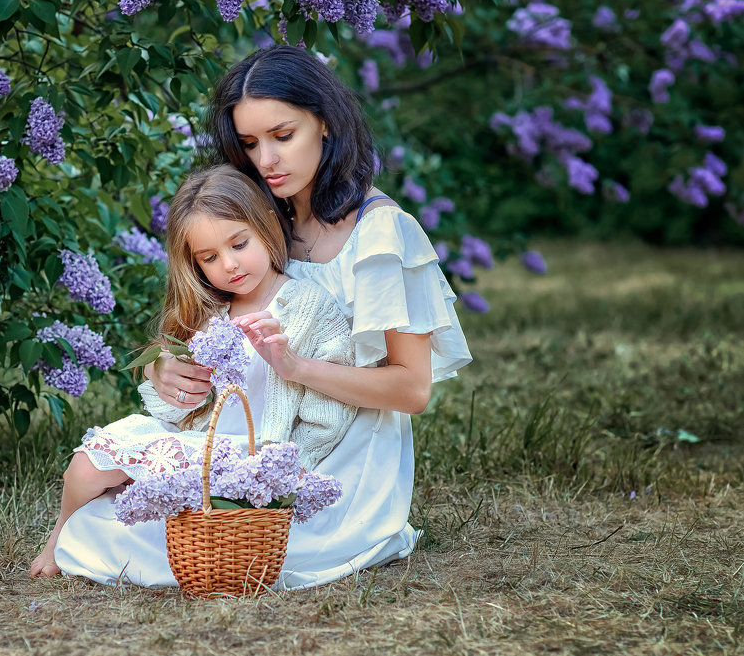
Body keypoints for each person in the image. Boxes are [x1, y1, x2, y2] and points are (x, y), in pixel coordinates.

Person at [48, 45, 472, 588]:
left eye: (282, 135)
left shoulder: (381, 232)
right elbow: (196, 319)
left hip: (340, 458)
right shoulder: (253, 223)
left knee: (190, 547)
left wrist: (296, 368)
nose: (267, 160)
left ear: (324, 121)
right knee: (124, 520)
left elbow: (413, 390)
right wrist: (165, 369)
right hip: (242, 434)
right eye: (250, 143)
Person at [31, 165, 362, 578]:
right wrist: (169, 379)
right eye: (209, 257)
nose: (230, 265)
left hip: (255, 457)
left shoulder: (311, 309)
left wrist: (288, 463)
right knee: (83, 467)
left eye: (239, 244)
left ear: (265, 228)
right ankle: (59, 535)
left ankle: (128, 529)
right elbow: (173, 409)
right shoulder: (206, 314)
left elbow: (328, 410)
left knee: (159, 521)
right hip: (197, 444)